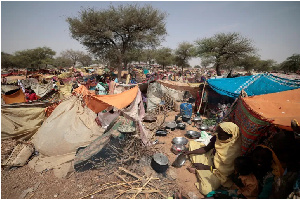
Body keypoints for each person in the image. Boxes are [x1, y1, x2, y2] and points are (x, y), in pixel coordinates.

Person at [183, 122, 241, 195]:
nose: (218, 135)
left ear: (231, 136)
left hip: (218, 173)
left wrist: (204, 167)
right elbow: (206, 148)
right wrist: (190, 152)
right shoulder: (217, 137)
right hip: (211, 158)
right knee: (192, 144)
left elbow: (224, 172)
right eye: (218, 132)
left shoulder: (234, 150)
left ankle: (199, 170)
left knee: (206, 190)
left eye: (221, 134)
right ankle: (199, 170)